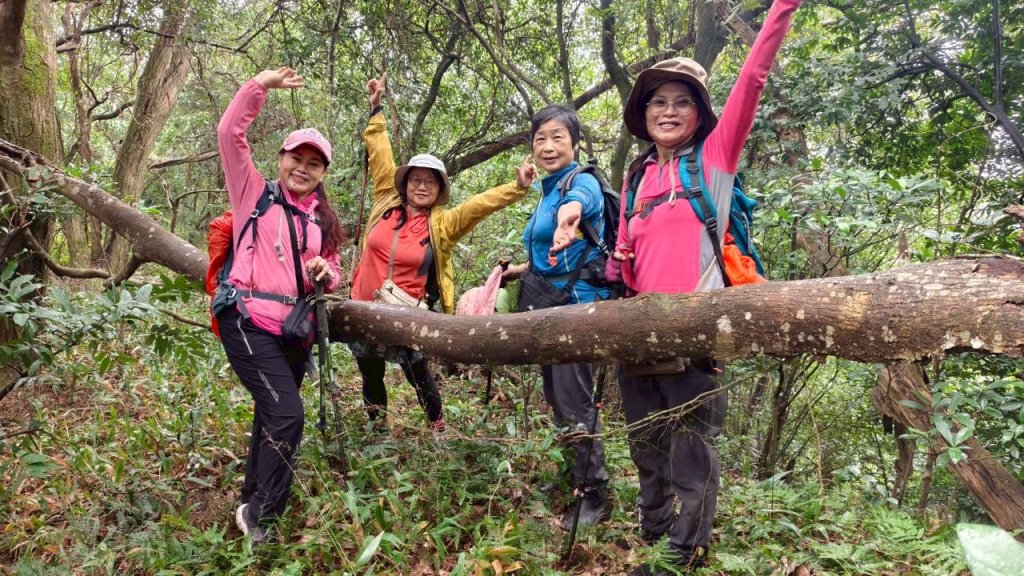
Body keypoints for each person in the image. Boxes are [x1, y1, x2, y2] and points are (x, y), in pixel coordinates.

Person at [598, 1, 802, 573]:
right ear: (643, 113)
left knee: (691, 454)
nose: (668, 110)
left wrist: (782, 8)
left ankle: (682, 555)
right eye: (658, 101)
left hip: (695, 334)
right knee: (646, 450)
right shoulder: (637, 176)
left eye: (681, 101)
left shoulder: (714, 160)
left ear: (700, 112)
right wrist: (621, 264)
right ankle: (656, 537)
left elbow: (753, 79)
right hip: (637, 334)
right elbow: (628, 256)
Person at [350, 73, 535, 434]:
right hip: (361, 304)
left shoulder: (443, 225)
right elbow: (380, 153)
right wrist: (376, 111)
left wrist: (516, 188)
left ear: (439, 189)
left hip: (404, 312)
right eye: (416, 179)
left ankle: (437, 427)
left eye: (429, 181)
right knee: (370, 372)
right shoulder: (385, 201)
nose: (421, 186)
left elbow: (477, 207)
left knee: (417, 372)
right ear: (405, 183)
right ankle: (377, 430)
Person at [215, 66, 344, 549]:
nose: (303, 168)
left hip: (293, 331)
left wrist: (326, 275)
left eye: (315, 162)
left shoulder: (320, 222)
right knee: (288, 416)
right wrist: (259, 86)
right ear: (282, 158)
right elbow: (230, 134)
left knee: (271, 416)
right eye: (296, 157)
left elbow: (331, 270)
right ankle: (262, 517)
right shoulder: (253, 194)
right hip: (248, 321)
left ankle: (249, 499)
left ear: (323, 173)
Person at [502, 105, 613, 528]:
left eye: (557, 138)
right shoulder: (547, 190)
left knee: (574, 402)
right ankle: (576, 476)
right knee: (559, 401)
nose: (548, 146)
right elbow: (554, 257)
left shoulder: (579, 183)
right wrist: (519, 270)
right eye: (540, 139)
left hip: (576, 310)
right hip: (553, 306)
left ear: (574, 143)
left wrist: (570, 218)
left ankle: (594, 494)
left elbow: (577, 208)